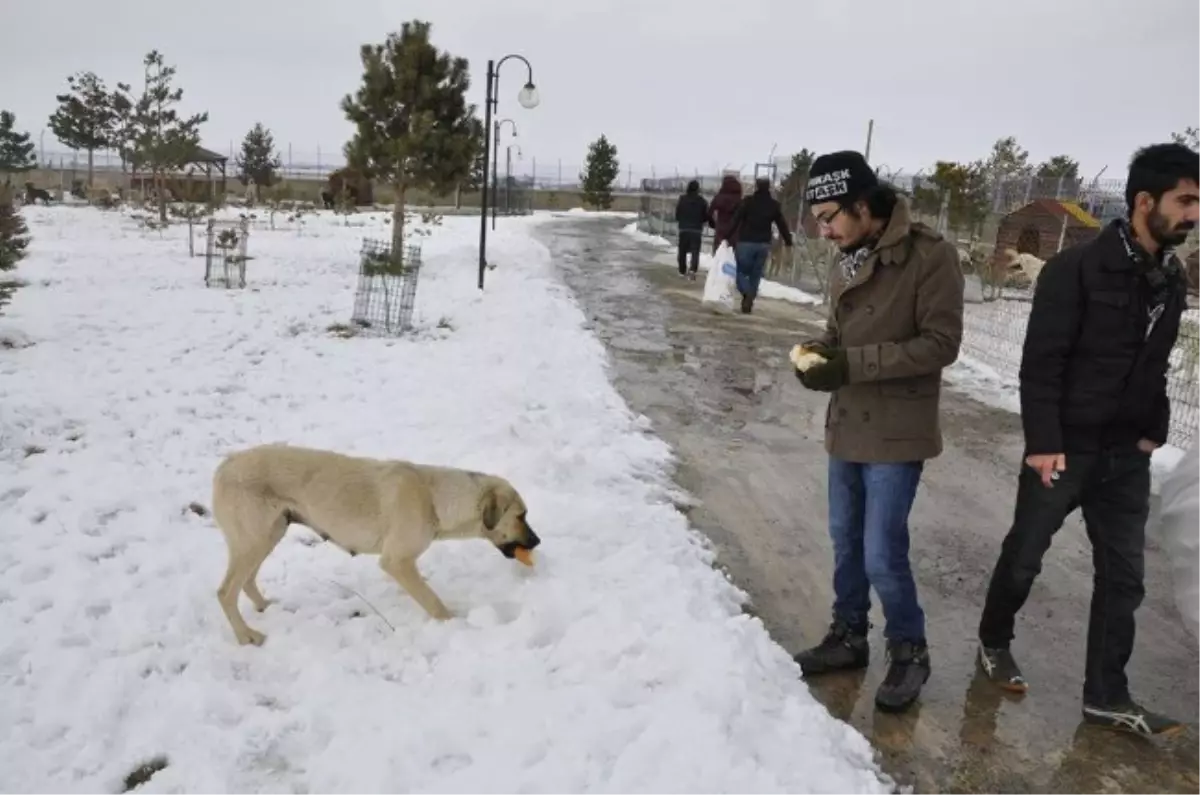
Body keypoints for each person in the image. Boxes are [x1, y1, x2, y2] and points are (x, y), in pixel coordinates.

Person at [976, 143, 1200, 736]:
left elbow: (1153, 364)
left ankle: (1107, 693)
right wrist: (1044, 442)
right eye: (1185, 201)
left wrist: (1152, 433)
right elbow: (1041, 362)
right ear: (1144, 202)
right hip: (1064, 450)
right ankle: (993, 641)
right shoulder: (1074, 270)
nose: (1193, 214)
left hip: (1126, 457)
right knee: (1026, 554)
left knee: (1124, 579)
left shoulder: (1169, 281)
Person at [792, 150, 964, 713]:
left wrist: (852, 365)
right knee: (845, 542)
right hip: (847, 424)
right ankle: (848, 636)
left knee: (882, 552)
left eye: (829, 215)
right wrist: (821, 354)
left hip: (896, 430)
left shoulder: (929, 257)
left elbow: (941, 344)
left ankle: (909, 650)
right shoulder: (846, 255)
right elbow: (838, 327)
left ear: (863, 206)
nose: (824, 229)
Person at [726, 177, 794, 314]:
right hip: (763, 244)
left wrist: (727, 236)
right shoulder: (773, 205)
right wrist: (788, 241)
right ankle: (750, 296)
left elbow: (736, 219)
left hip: (746, 242)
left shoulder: (748, 202)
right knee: (755, 274)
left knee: (739, 271)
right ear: (768, 187)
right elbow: (782, 224)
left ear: (756, 186)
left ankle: (746, 293)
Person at [674, 180, 708, 279]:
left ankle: (682, 270)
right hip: (696, 229)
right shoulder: (702, 201)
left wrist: (682, 221)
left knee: (682, 251)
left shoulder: (682, 199)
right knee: (695, 251)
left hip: (684, 228)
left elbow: (677, 214)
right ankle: (693, 269)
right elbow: (705, 216)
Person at [707, 174, 743, 253]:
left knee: (719, 255)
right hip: (735, 232)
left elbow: (709, 214)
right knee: (732, 257)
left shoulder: (719, 197)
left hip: (720, 230)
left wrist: (713, 224)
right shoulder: (739, 199)